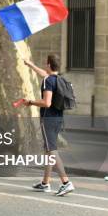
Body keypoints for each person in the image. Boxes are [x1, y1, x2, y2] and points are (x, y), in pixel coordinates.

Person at [24, 54, 75, 196]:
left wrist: (31, 102)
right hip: (58, 119)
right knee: (48, 150)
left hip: (48, 119)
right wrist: (30, 64)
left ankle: (66, 182)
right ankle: (45, 183)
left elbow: (46, 103)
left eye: (45, 64)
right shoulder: (60, 79)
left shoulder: (48, 81)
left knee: (52, 151)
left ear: (48, 65)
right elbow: (44, 75)